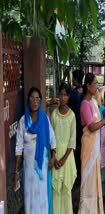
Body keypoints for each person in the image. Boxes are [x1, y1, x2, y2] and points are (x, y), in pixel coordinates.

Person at [14, 87, 56, 214]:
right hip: (28, 169)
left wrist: (53, 158)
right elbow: (19, 147)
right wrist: (16, 171)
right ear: (28, 100)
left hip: (42, 166)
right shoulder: (23, 121)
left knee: (42, 197)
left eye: (37, 98)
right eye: (32, 98)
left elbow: (52, 140)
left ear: (41, 101)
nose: (35, 101)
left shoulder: (45, 120)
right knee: (30, 198)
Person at [79, 73, 105, 214]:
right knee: (88, 182)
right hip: (89, 147)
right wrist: (104, 120)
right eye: (95, 83)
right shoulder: (85, 104)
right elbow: (91, 127)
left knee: (94, 181)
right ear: (88, 86)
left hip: (95, 147)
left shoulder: (93, 102)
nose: (97, 86)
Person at [51, 83, 77, 214]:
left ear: (69, 97)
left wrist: (63, 159)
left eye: (65, 95)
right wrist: (54, 156)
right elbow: (51, 138)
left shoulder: (72, 115)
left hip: (67, 157)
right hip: (55, 155)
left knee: (66, 191)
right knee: (56, 190)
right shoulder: (54, 114)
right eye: (60, 94)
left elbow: (72, 141)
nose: (62, 97)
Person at [69, 69, 84, 181]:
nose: (72, 79)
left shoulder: (74, 93)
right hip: (83, 126)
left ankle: (75, 176)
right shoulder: (84, 92)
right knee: (80, 151)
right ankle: (80, 175)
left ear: (76, 79)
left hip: (74, 125)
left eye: (73, 77)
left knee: (74, 151)